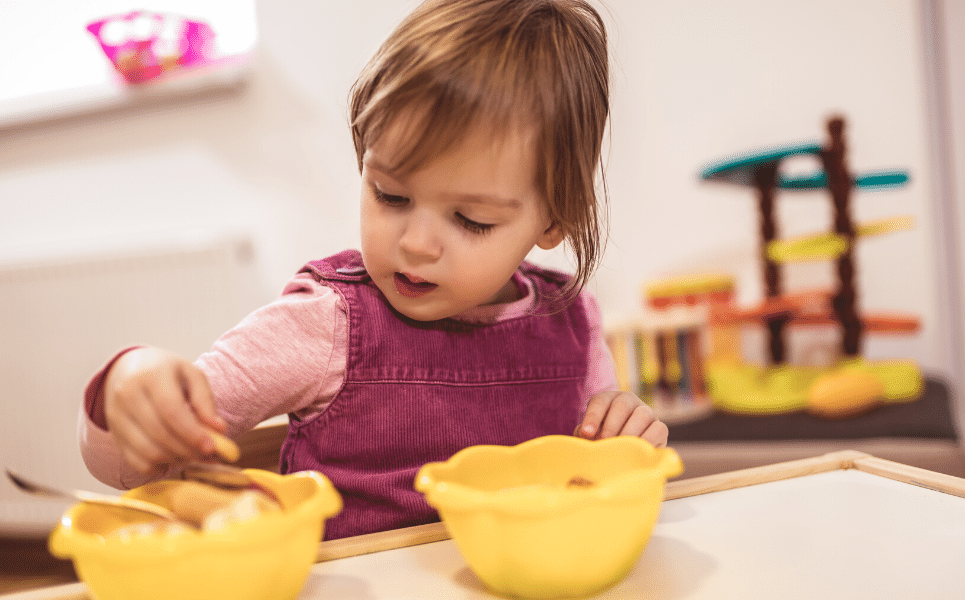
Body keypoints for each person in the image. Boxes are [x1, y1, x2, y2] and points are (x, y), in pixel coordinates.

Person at [79, 0, 668, 540]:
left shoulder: (576, 327)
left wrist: (629, 444)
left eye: (470, 220)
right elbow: (129, 470)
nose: (415, 244)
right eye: (390, 195)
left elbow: (601, 489)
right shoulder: (323, 323)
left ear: (552, 221)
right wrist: (128, 391)